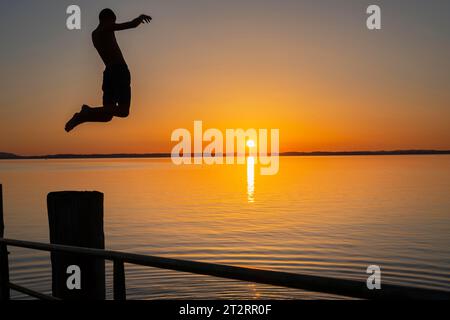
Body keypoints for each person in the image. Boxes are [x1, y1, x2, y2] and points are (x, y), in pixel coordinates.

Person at [65, 8, 152, 132]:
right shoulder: (106, 27)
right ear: (107, 19)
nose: (113, 24)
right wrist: (140, 18)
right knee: (123, 111)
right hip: (119, 71)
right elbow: (131, 25)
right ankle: (88, 111)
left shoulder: (94, 34)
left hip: (109, 73)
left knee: (106, 116)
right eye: (113, 21)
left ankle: (82, 117)